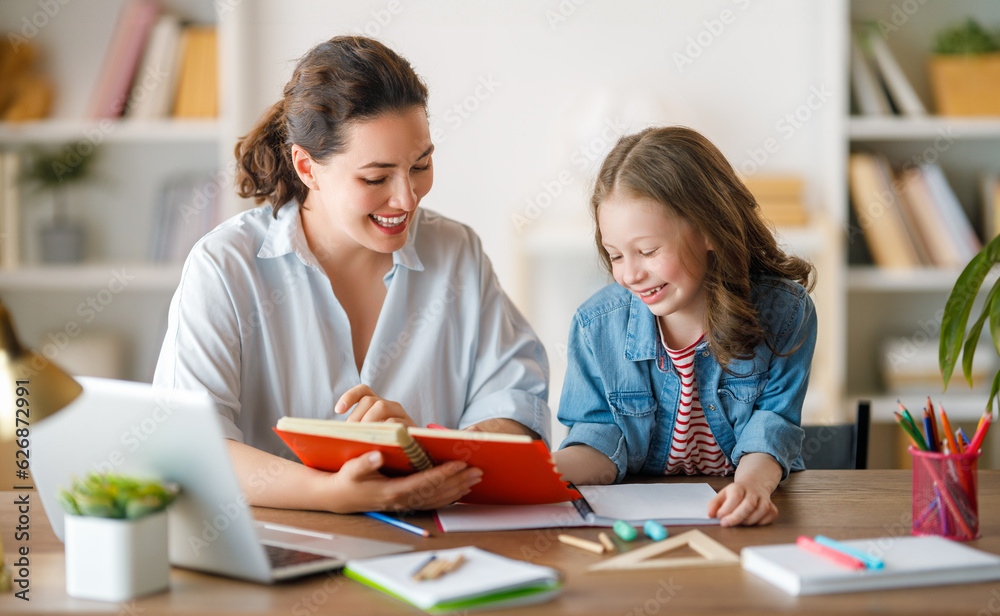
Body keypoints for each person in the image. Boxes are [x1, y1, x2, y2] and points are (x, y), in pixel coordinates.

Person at [153, 36, 550, 514]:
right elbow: (192, 445)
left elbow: (515, 403)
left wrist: (426, 450)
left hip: (428, 551)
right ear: (307, 167)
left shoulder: (457, 252)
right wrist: (329, 493)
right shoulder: (224, 267)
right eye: (376, 178)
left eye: (420, 165)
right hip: (272, 553)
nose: (407, 198)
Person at [552, 126, 817, 527]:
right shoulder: (595, 326)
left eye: (648, 251)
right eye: (615, 255)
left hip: (742, 521)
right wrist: (541, 472)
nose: (630, 275)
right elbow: (597, 437)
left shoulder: (785, 313)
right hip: (641, 526)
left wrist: (752, 488)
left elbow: (772, 426)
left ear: (709, 228)